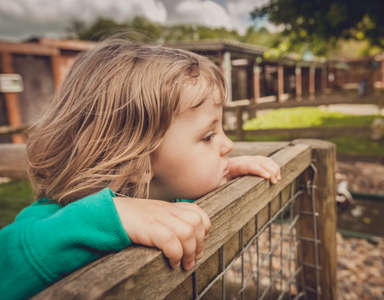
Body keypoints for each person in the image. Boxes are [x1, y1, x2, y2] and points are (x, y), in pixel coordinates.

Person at [0, 39, 280, 299]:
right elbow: (11, 260)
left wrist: (226, 174)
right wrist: (105, 217)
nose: (228, 144)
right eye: (208, 136)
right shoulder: (48, 222)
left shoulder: (158, 197)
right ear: (137, 162)